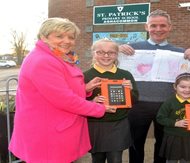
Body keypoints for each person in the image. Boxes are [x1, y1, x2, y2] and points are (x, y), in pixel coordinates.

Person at [8, 18, 116, 162]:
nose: (67, 41)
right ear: (44, 37)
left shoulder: (55, 56)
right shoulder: (44, 61)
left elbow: (57, 90)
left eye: (71, 37)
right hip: (48, 134)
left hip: (56, 128)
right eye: (59, 36)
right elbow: (64, 99)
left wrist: (85, 88)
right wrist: (100, 109)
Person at [119, 9, 190, 163]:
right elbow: (106, 59)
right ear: (146, 27)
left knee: (163, 145)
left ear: (170, 27)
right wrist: (116, 50)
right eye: (154, 25)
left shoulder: (180, 52)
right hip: (138, 104)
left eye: (163, 25)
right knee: (136, 144)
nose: (158, 29)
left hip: (167, 105)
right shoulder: (131, 49)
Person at [83, 39, 139, 163]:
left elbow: (135, 100)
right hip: (95, 125)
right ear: (93, 53)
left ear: (117, 55)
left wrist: (129, 91)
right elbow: (78, 101)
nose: (106, 56)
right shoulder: (85, 75)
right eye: (101, 52)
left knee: (116, 159)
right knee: (97, 159)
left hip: (118, 124)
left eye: (111, 53)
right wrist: (92, 101)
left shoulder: (126, 75)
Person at [156, 73, 190, 163]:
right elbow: (160, 118)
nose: (187, 90)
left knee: (186, 160)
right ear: (175, 87)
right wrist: (175, 123)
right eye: (183, 87)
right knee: (171, 160)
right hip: (173, 136)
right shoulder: (169, 102)